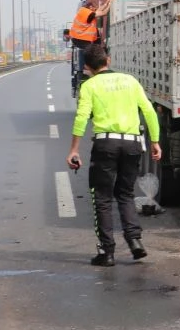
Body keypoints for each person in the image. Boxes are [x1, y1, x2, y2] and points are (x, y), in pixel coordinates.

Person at [66, 44, 162, 266]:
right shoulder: (130, 80)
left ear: (87, 67)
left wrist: (74, 149)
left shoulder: (89, 86)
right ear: (108, 60)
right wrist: (155, 141)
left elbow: (81, 118)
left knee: (102, 197)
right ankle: (135, 242)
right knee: (126, 194)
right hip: (132, 144)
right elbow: (148, 110)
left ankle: (107, 253)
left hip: (105, 144)